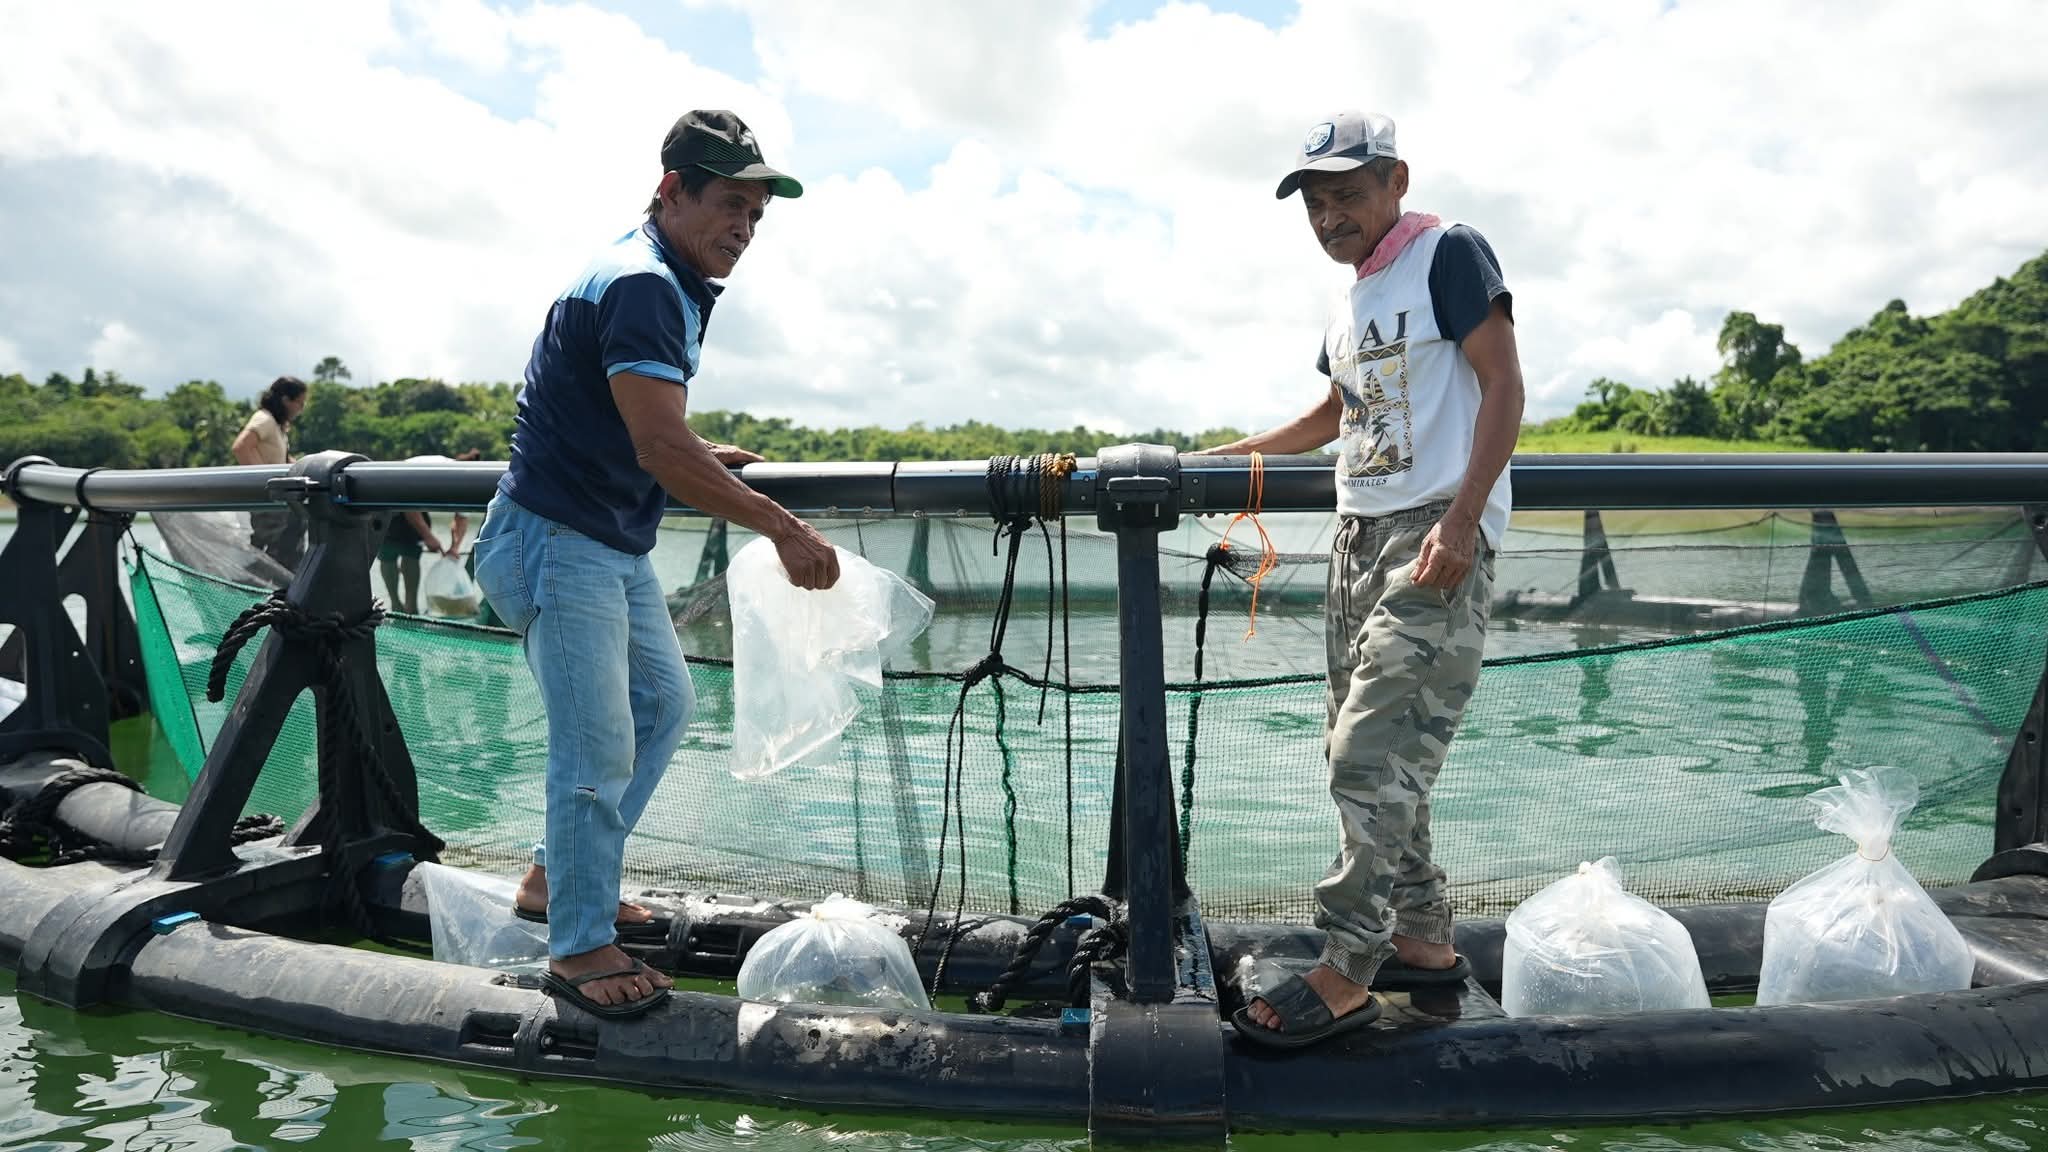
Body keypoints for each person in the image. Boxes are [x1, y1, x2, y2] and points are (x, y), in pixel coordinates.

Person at [469, 109, 841, 1019]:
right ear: (672, 190)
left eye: (756, 214)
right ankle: (579, 947)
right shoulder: (641, 282)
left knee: (662, 707)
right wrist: (783, 528)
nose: (744, 228)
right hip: (557, 541)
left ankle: (556, 882)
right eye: (729, 205)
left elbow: (636, 418)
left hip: (601, 540)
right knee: (595, 745)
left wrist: (696, 450)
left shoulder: (658, 275)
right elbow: (656, 449)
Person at [1202, 111, 1523, 1047]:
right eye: (1314, 202)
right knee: (1375, 748)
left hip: (1433, 535)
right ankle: (1423, 936)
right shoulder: (1350, 299)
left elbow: (1503, 385)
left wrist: (1463, 520)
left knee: (1368, 754)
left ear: (1397, 181)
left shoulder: (1448, 255)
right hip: (1356, 542)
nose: (1329, 216)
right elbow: (1336, 412)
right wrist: (1224, 458)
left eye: (1346, 193)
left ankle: (1348, 964)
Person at [232, 376, 310, 571]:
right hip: (268, 506)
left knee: (283, 558)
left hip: (278, 506)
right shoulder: (264, 419)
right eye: (300, 403)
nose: (301, 409)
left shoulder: (276, 426)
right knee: (271, 559)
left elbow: (282, 459)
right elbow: (241, 447)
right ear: (286, 400)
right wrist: (263, 483)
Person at [378, 454, 470, 614]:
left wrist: (454, 547)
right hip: (391, 491)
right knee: (388, 552)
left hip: (418, 503)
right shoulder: (438, 475)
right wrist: (428, 537)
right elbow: (409, 507)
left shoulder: (468, 484)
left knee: (411, 552)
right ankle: (395, 603)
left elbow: (461, 519)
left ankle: (411, 607)